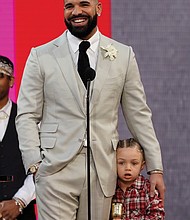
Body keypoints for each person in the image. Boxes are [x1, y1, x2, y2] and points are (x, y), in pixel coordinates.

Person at [16, 0, 165, 219]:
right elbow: (27, 114)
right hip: (54, 169)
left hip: (102, 168)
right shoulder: (41, 55)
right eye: (69, 6)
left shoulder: (123, 55)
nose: (76, 12)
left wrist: (155, 167)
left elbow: (138, 114)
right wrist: (34, 164)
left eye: (84, 4)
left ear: (99, 8)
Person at [0, 55, 36, 220]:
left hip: (21, 212)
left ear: (11, 81)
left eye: (0, 75)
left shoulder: (27, 118)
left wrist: (19, 201)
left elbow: (41, 165)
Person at [110, 138, 165, 220]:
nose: (128, 168)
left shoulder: (148, 189)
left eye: (134, 163)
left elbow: (158, 215)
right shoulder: (110, 188)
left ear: (142, 165)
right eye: (121, 163)